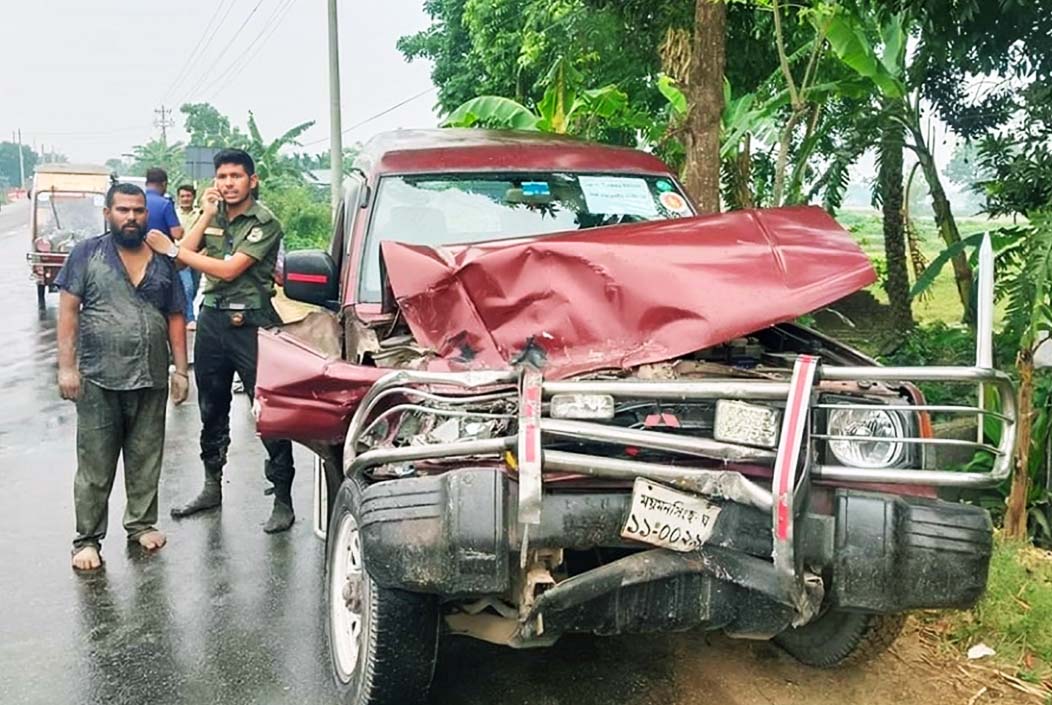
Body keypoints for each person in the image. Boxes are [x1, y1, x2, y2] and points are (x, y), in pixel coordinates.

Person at [145, 149, 296, 533]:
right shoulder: (212, 215)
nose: (228, 183)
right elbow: (182, 262)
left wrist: (176, 249)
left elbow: (228, 270)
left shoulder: (265, 222)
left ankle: (283, 497)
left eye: (236, 176)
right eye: (223, 177)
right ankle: (212, 486)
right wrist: (206, 214)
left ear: (252, 181)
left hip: (252, 321)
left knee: (269, 411)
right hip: (212, 320)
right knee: (212, 407)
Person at [56, 182, 189, 571]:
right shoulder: (86, 254)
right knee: (96, 463)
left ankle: (142, 524)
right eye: (123, 210)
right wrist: (67, 367)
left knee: (146, 456)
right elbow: (68, 313)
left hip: (150, 375)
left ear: (147, 214)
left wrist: (180, 370)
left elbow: (176, 316)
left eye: (138, 210)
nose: (131, 217)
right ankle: (87, 539)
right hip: (98, 375)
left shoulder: (162, 260)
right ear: (107, 213)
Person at [175, 184, 202, 327]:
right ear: (178, 198)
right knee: (188, 287)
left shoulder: (200, 215)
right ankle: (189, 318)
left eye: (188, 196)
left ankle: (186, 313)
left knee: (195, 287)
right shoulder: (174, 215)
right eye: (182, 196)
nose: (185, 199)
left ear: (193, 197)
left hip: (197, 257)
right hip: (180, 256)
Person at [144, 168, 183, 241]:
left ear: (146, 183)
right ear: (164, 184)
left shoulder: (136, 201)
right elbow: (177, 234)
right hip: (160, 249)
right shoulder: (165, 204)